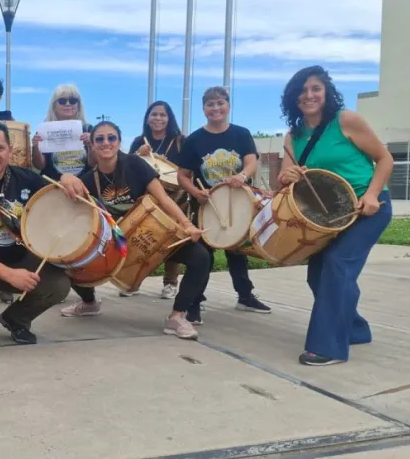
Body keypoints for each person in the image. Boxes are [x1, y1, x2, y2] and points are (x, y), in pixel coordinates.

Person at [278, 66, 393, 366]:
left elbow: (385, 159)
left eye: (315, 88)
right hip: (327, 218)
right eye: (302, 91)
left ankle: (328, 347)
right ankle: (355, 328)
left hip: (368, 208)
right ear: (293, 98)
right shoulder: (293, 136)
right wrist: (287, 177)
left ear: (326, 92)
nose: (309, 95)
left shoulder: (346, 120)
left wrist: (371, 195)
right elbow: (283, 182)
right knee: (318, 273)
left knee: (337, 265)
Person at [59, 121, 209, 339]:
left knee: (201, 257)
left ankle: (177, 317)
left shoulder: (135, 165)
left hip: (152, 234)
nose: (106, 143)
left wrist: (186, 224)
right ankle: (89, 303)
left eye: (111, 137)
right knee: (70, 262)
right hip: (114, 243)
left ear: (119, 141)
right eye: (99, 139)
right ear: (92, 145)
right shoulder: (89, 179)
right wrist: (65, 177)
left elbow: (164, 199)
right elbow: (63, 193)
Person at [0, 123, 87, 350]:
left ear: (10, 151)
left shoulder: (26, 178)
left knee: (58, 284)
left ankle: (16, 319)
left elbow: (55, 192)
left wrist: (67, 177)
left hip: (18, 257)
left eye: (0, 148)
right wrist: (10, 275)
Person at [175, 87, 271, 325]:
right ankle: (194, 303)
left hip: (239, 202)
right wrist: (195, 192)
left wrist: (242, 175)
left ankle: (245, 296)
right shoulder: (194, 140)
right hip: (206, 205)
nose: (215, 108)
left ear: (228, 105)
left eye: (220, 103)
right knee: (203, 256)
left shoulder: (241, 134)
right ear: (203, 109)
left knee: (237, 252)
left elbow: (251, 161)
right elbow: (182, 175)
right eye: (210, 104)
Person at [129, 100, 187, 300]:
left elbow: (187, 169)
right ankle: (133, 279)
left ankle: (170, 283)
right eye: (154, 114)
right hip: (146, 196)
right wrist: (138, 154)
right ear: (147, 118)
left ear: (169, 118)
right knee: (142, 239)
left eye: (163, 115)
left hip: (175, 197)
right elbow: (128, 167)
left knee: (171, 240)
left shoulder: (180, 141)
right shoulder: (139, 141)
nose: (158, 118)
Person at [32, 84, 94, 181]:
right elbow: (40, 165)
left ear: (78, 106)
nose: (68, 104)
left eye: (73, 101)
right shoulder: (44, 129)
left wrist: (91, 145)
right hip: (53, 185)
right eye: (62, 101)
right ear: (54, 106)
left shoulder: (89, 129)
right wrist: (35, 147)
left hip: (83, 185)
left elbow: (94, 164)